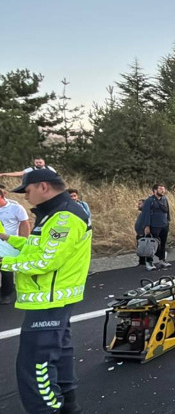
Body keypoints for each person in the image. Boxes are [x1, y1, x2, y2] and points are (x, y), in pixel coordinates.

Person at [0, 169, 91, 414]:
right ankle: (69, 406)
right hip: (53, 297)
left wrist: (2, 263)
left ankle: (46, 410)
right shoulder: (55, 214)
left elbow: (45, 261)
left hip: (49, 299)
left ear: (43, 186)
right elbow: (35, 246)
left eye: (27, 191)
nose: (26, 198)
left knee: (34, 367)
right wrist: (7, 238)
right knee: (59, 354)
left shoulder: (64, 218)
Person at [0, 184, 31, 304]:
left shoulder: (15, 208)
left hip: (9, 243)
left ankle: (7, 293)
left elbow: (24, 224)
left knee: (6, 269)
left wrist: (23, 241)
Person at [140, 184, 171, 269]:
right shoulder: (149, 201)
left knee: (163, 243)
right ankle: (149, 262)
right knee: (151, 244)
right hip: (154, 225)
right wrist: (147, 226)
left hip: (164, 224)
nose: (162, 190)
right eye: (160, 189)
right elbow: (145, 214)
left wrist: (168, 221)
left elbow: (167, 210)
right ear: (154, 191)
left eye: (163, 189)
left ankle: (162, 260)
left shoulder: (164, 199)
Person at [134, 198, 155, 270]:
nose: (138, 205)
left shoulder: (147, 213)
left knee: (147, 248)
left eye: (140, 204)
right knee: (141, 248)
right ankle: (141, 262)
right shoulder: (142, 213)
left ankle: (149, 262)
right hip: (139, 234)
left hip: (144, 234)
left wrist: (145, 232)